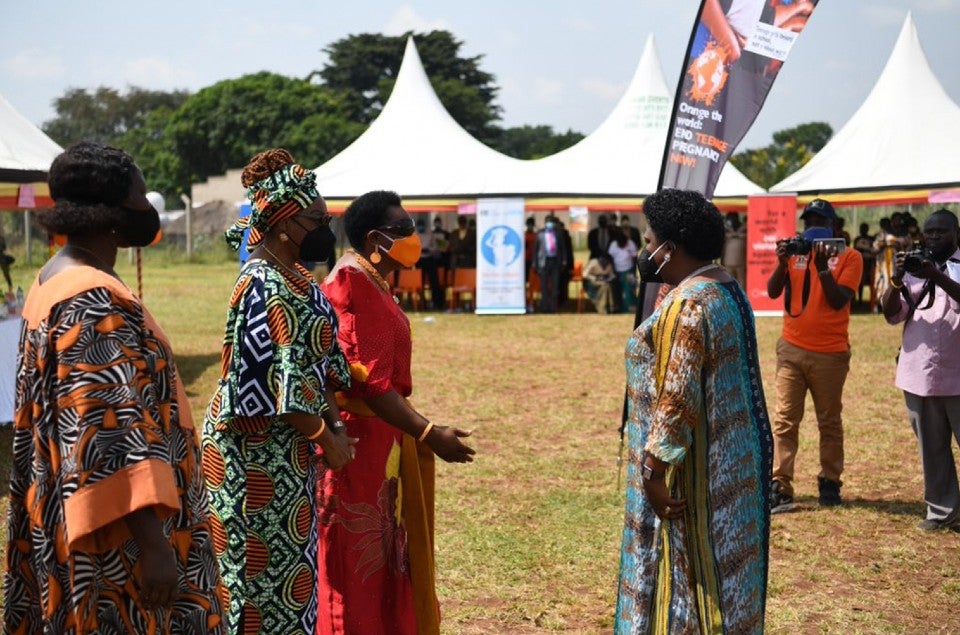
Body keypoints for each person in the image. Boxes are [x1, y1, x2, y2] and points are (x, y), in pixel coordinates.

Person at [4, 141, 226, 633]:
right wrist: (153, 544)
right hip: (121, 537)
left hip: (76, 506)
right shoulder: (91, 300)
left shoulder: (52, 280)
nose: (148, 209)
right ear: (107, 214)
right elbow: (107, 430)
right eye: (141, 198)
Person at [203, 149, 357, 634]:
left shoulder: (303, 284)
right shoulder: (257, 284)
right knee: (253, 586)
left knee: (294, 578)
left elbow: (317, 369)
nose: (325, 227)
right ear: (285, 223)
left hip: (290, 452)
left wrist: (333, 426)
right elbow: (258, 382)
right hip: (250, 458)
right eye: (317, 217)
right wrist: (325, 437)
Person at [318, 190, 476, 634]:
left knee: (380, 556)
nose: (415, 238)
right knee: (355, 561)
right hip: (357, 443)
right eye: (405, 231)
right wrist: (428, 433)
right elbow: (369, 382)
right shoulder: (352, 284)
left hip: (378, 440)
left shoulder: (371, 280)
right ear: (375, 238)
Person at [616, 189, 772, 634]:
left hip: (693, 473)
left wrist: (652, 473)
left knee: (690, 582)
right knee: (729, 579)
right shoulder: (724, 287)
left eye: (649, 242)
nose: (646, 251)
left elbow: (676, 401)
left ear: (671, 248)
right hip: (735, 460)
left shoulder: (690, 305)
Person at [766, 198, 863, 512]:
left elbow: (838, 301)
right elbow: (772, 292)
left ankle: (830, 481)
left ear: (834, 226)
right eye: (808, 222)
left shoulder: (851, 257)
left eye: (819, 222)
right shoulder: (796, 253)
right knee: (784, 420)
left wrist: (822, 269)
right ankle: (780, 483)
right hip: (791, 348)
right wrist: (783, 262)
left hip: (830, 353)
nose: (812, 228)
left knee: (829, 421)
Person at [881, 209, 960, 532]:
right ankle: (943, 511)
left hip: (957, 372)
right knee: (932, 447)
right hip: (921, 373)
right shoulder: (913, 268)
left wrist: (937, 275)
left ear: (957, 234)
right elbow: (892, 314)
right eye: (930, 232)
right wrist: (897, 280)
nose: (934, 237)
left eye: (941, 232)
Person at [533, 214, 568, 313]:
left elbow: (563, 249)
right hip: (544, 262)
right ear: (545, 223)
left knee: (555, 286)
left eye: (551, 222)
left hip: (555, 261)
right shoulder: (540, 234)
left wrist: (564, 261)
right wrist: (535, 263)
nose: (550, 224)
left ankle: (553, 308)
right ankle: (544, 307)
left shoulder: (558, 234)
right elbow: (535, 250)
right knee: (544, 286)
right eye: (548, 222)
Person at [608, 228, 639, 313]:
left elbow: (634, 258)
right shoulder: (613, 245)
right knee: (619, 290)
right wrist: (613, 271)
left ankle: (630, 309)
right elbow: (610, 259)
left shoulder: (631, 244)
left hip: (628, 271)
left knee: (629, 289)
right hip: (617, 271)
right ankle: (619, 308)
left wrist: (633, 272)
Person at [416, 218, 444, 310]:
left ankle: (436, 303)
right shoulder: (415, 236)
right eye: (419, 225)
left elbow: (435, 248)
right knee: (419, 283)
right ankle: (422, 304)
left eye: (422, 225)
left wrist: (428, 250)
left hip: (430, 260)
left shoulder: (430, 235)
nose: (421, 227)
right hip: (419, 261)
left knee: (434, 282)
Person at [853, 222, 877, 306]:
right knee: (860, 282)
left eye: (865, 228)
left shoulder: (871, 239)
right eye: (862, 228)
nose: (863, 230)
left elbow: (874, 249)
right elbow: (856, 249)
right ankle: (859, 300)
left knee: (872, 282)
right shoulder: (857, 239)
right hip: (861, 263)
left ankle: (873, 301)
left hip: (870, 264)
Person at [722, 211, 747, 287]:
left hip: (736, 261)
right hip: (732, 261)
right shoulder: (727, 230)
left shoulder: (743, 229)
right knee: (737, 281)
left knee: (738, 281)